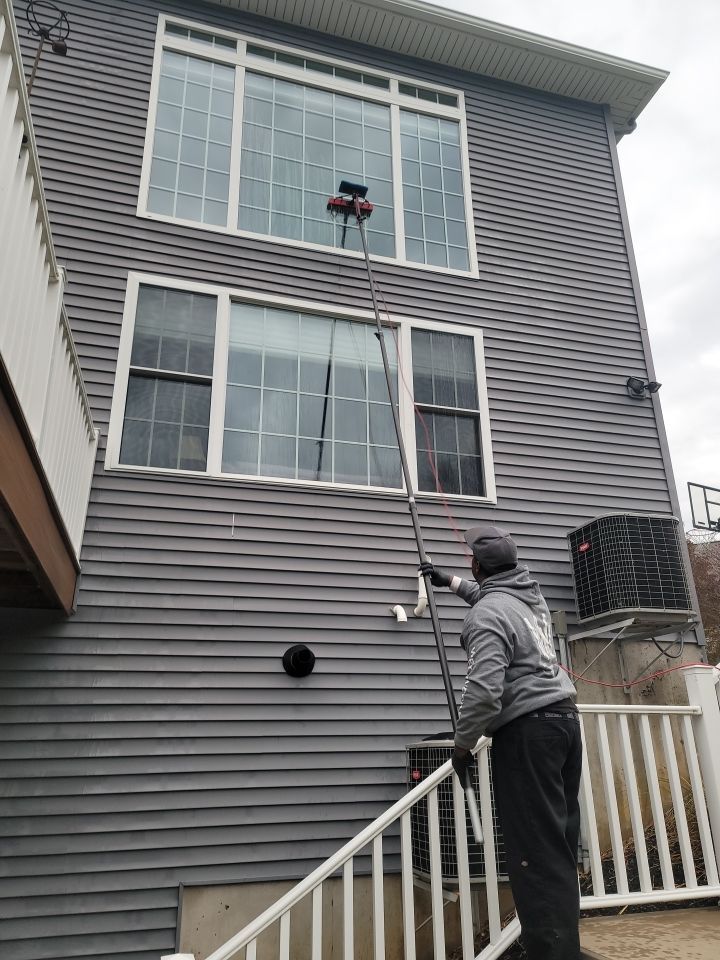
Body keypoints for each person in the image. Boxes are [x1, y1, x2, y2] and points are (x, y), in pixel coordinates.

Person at [421, 524, 582, 960]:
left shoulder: (488, 615)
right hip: (565, 724)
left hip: (527, 734)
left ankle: (552, 954)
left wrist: (461, 744)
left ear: (477, 565)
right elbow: (491, 598)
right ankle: (564, 944)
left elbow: (484, 691)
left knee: (533, 849)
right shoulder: (531, 599)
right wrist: (447, 581)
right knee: (559, 842)